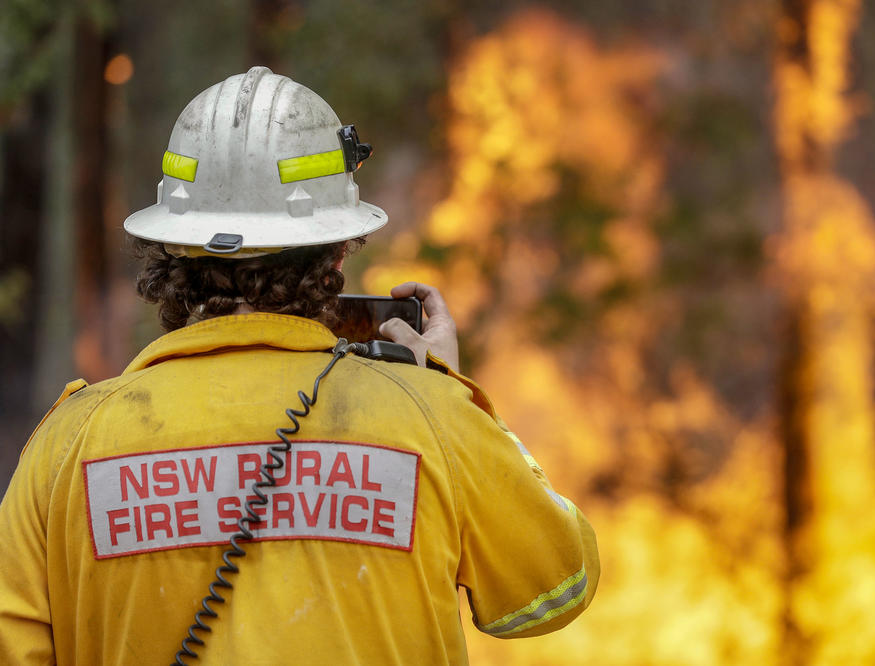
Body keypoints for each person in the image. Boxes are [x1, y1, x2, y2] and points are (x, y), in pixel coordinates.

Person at [0, 66, 599, 664]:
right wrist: (451, 396)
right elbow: (555, 585)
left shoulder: (65, 447)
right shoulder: (431, 416)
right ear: (338, 249)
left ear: (170, 248)